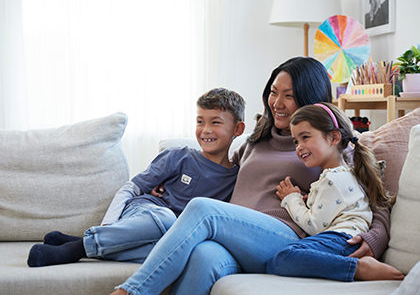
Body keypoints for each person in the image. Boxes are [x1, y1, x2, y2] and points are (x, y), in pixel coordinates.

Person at [109, 57, 390, 295]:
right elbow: (218, 175)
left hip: (282, 238)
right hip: (233, 238)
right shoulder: (255, 140)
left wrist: (374, 238)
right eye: (273, 92)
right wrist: (169, 185)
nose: (277, 103)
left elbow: (373, 198)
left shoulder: (323, 143)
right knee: (202, 255)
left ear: (309, 99)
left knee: (204, 209)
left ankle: (130, 291)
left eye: (289, 95)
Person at [27, 87, 246, 267]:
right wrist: (108, 225)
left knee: (181, 252)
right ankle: (76, 249)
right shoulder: (178, 157)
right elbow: (130, 189)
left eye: (215, 122)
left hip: (170, 237)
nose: (205, 130)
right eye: (200, 121)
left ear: (238, 129)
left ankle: (80, 242)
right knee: (167, 219)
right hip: (145, 213)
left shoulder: (236, 179)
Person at [266, 103, 404, 282]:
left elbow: (314, 226)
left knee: (282, 257)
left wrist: (291, 199)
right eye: (296, 141)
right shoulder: (344, 174)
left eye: (305, 137)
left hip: (342, 239)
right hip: (345, 238)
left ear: (334, 137)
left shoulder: (332, 179)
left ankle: (357, 268)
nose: (299, 147)